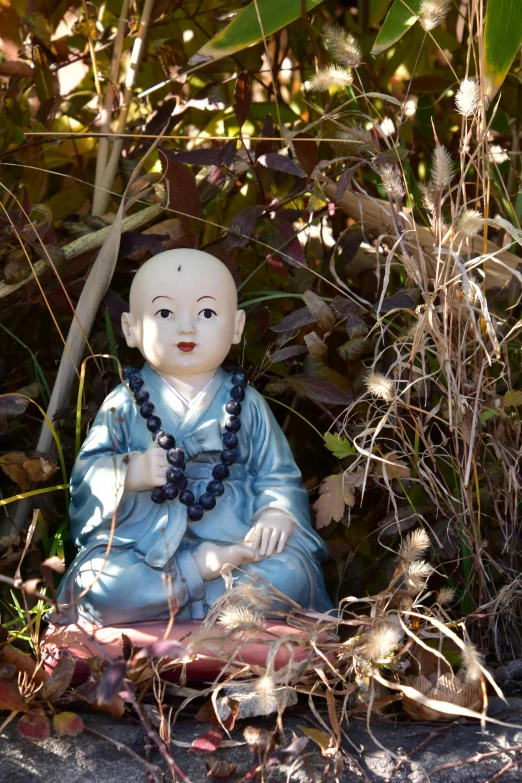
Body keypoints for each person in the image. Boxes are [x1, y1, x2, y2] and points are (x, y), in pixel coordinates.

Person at [53, 249, 333, 626]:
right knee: (97, 584)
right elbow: (87, 478)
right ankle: (198, 574)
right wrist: (131, 473)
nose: (187, 329)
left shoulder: (245, 403)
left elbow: (276, 474)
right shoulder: (123, 404)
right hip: (145, 547)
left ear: (235, 327)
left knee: (290, 575)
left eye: (206, 314)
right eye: (165, 313)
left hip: (237, 540)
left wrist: (276, 513)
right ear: (131, 329)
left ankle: (185, 597)